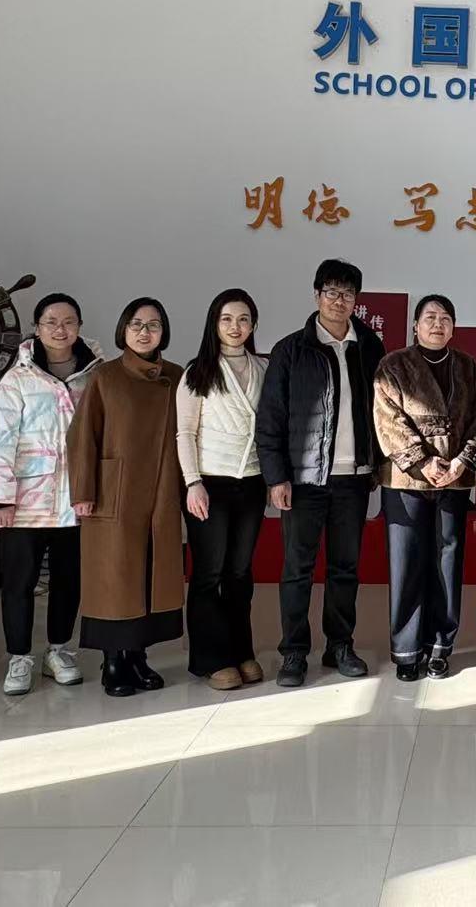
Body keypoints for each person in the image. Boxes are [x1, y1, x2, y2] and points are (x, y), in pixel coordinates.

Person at [257, 259, 386, 688]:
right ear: (316, 296)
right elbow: (271, 418)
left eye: (347, 293)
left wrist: (378, 465)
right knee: (297, 569)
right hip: (304, 480)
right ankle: (294, 652)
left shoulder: (370, 347)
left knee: (345, 568)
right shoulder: (291, 350)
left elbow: (383, 412)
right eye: (331, 292)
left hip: (354, 478)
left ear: (356, 300)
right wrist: (276, 477)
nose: (338, 301)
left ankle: (340, 645)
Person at [0, 292, 103, 696]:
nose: (60, 329)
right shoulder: (17, 379)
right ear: (36, 328)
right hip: (26, 501)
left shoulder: (95, 375)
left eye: (68, 321)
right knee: (19, 582)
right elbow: (1, 440)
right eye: (50, 321)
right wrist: (2, 497)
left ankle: (59, 650)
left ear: (79, 327)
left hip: (76, 500)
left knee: (69, 580)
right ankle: (19, 656)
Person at [68, 298, 185, 697]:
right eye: (136, 324)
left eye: (153, 325)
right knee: (116, 577)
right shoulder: (106, 376)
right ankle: (113, 662)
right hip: (114, 492)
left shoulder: (176, 376)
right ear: (123, 330)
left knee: (150, 574)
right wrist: (83, 490)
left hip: (161, 489)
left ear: (163, 332)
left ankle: (137, 657)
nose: (144, 332)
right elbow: (82, 435)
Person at [373, 295, 476, 681]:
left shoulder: (468, 368)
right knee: (407, 562)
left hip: (454, 479)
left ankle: (440, 647)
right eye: (430, 317)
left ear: (453, 327)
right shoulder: (392, 365)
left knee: (447, 562)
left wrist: (461, 461)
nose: (438, 324)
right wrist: (423, 461)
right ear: (415, 325)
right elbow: (388, 420)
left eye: (445, 318)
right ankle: (406, 651)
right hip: (406, 479)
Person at [177, 289, 269, 691]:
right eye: (227, 319)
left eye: (244, 319)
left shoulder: (264, 367)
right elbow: (184, 432)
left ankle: (241, 650)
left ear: (253, 325)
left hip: (251, 481)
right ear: (214, 324)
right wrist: (192, 482)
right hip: (209, 483)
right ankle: (211, 658)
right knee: (208, 572)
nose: (236, 326)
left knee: (239, 572)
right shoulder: (198, 371)